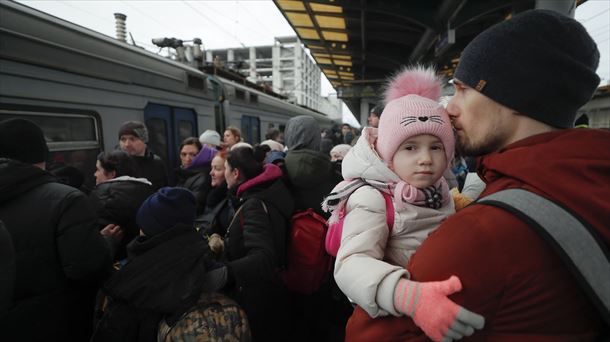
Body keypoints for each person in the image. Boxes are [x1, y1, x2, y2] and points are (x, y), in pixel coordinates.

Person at [345, 10, 610, 341]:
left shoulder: (483, 234)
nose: (450, 108)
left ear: (515, 94)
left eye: (463, 90)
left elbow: (364, 335)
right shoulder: (590, 178)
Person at [322, 67, 484, 342]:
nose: (425, 159)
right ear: (387, 153)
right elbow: (351, 264)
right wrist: (409, 297)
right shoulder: (373, 197)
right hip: (395, 318)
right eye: (410, 147)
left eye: (436, 147)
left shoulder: (444, 192)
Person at [0, 118, 120, 341]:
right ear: (41, 153)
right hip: (54, 324)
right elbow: (88, 268)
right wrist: (107, 242)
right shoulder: (67, 200)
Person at [91, 187, 214, 341]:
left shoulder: (134, 282)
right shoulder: (203, 257)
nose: (140, 230)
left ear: (154, 230)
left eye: (143, 224)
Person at [204, 146, 294, 341]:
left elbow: (263, 257)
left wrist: (225, 272)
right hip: (275, 295)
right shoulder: (271, 191)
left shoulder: (253, 205)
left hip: (258, 299)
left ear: (236, 173)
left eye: (225, 169)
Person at [89, 150, 154, 260]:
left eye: (98, 169)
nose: (95, 174)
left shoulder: (100, 196)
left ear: (112, 174)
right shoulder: (149, 190)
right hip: (143, 256)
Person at [118, 120, 169, 191]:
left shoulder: (157, 164)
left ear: (144, 141)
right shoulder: (115, 163)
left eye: (132, 139)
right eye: (123, 139)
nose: (127, 144)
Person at [196, 150, 232, 237]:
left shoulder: (230, 201)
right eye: (212, 168)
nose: (211, 173)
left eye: (217, 169)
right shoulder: (211, 193)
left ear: (229, 171)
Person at [176, 137, 215, 215]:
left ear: (200, 156)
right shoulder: (185, 174)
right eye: (183, 154)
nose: (187, 158)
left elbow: (194, 206)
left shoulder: (203, 177)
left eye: (193, 154)